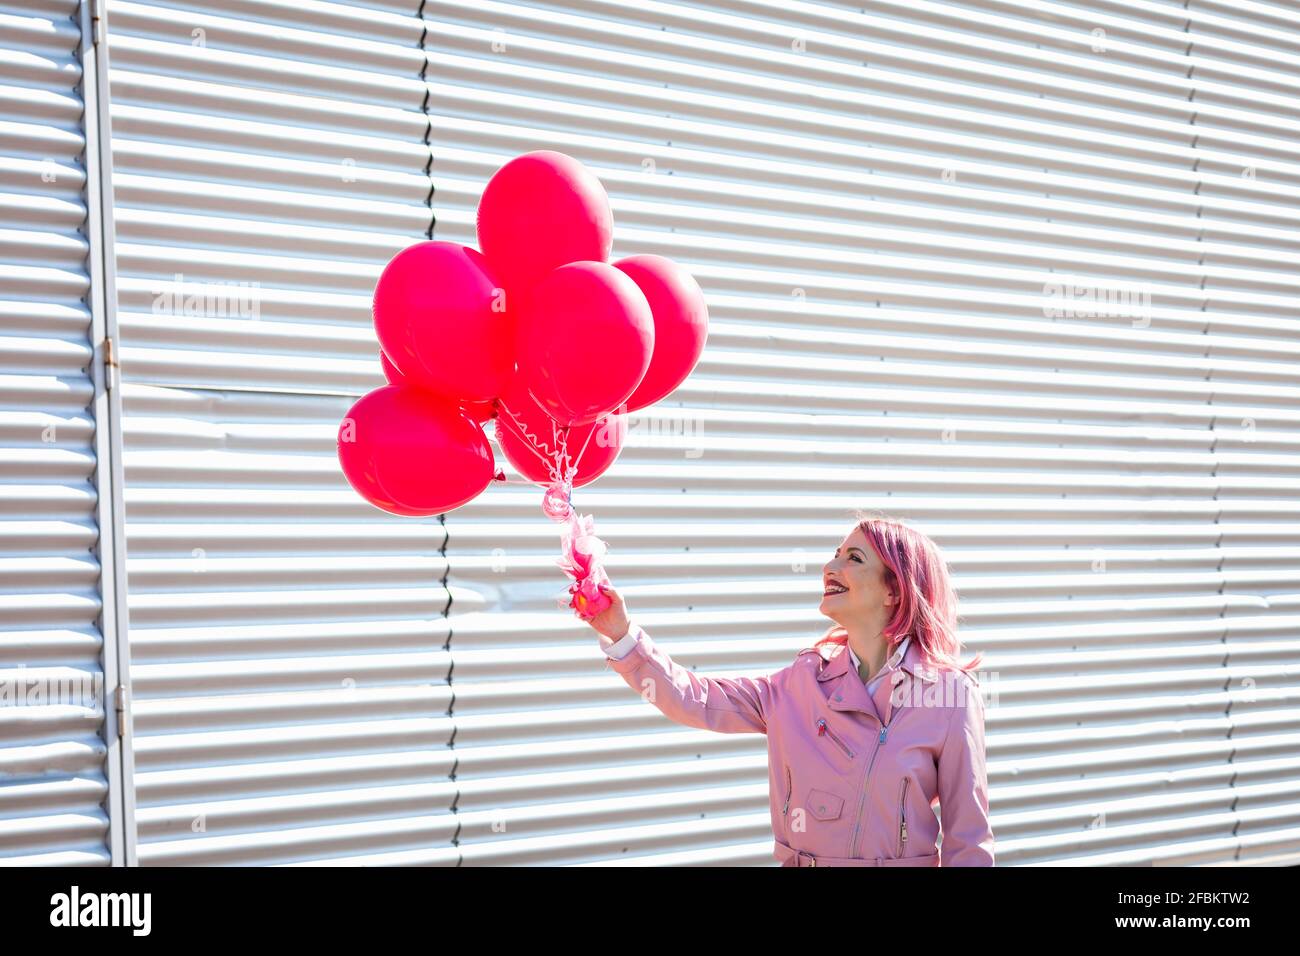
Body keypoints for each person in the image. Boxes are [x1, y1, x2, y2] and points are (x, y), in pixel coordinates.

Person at [584, 513, 994, 867]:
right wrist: (620, 634)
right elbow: (695, 698)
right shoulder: (799, 683)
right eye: (835, 553)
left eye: (853, 558)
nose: (830, 566)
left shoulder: (949, 695)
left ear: (895, 589)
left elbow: (968, 840)